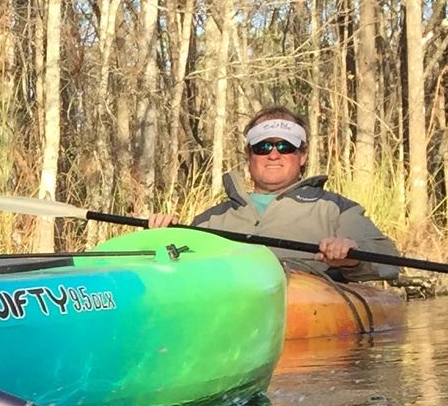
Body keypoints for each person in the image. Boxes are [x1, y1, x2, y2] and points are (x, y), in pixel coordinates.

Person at [164, 107, 402, 283]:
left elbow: (388, 259)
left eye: (285, 146)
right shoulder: (210, 220)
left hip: (306, 312)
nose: (274, 155)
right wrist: (162, 239)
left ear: (303, 155)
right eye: (263, 147)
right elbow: (175, 267)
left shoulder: (336, 209)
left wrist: (352, 254)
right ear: (249, 155)